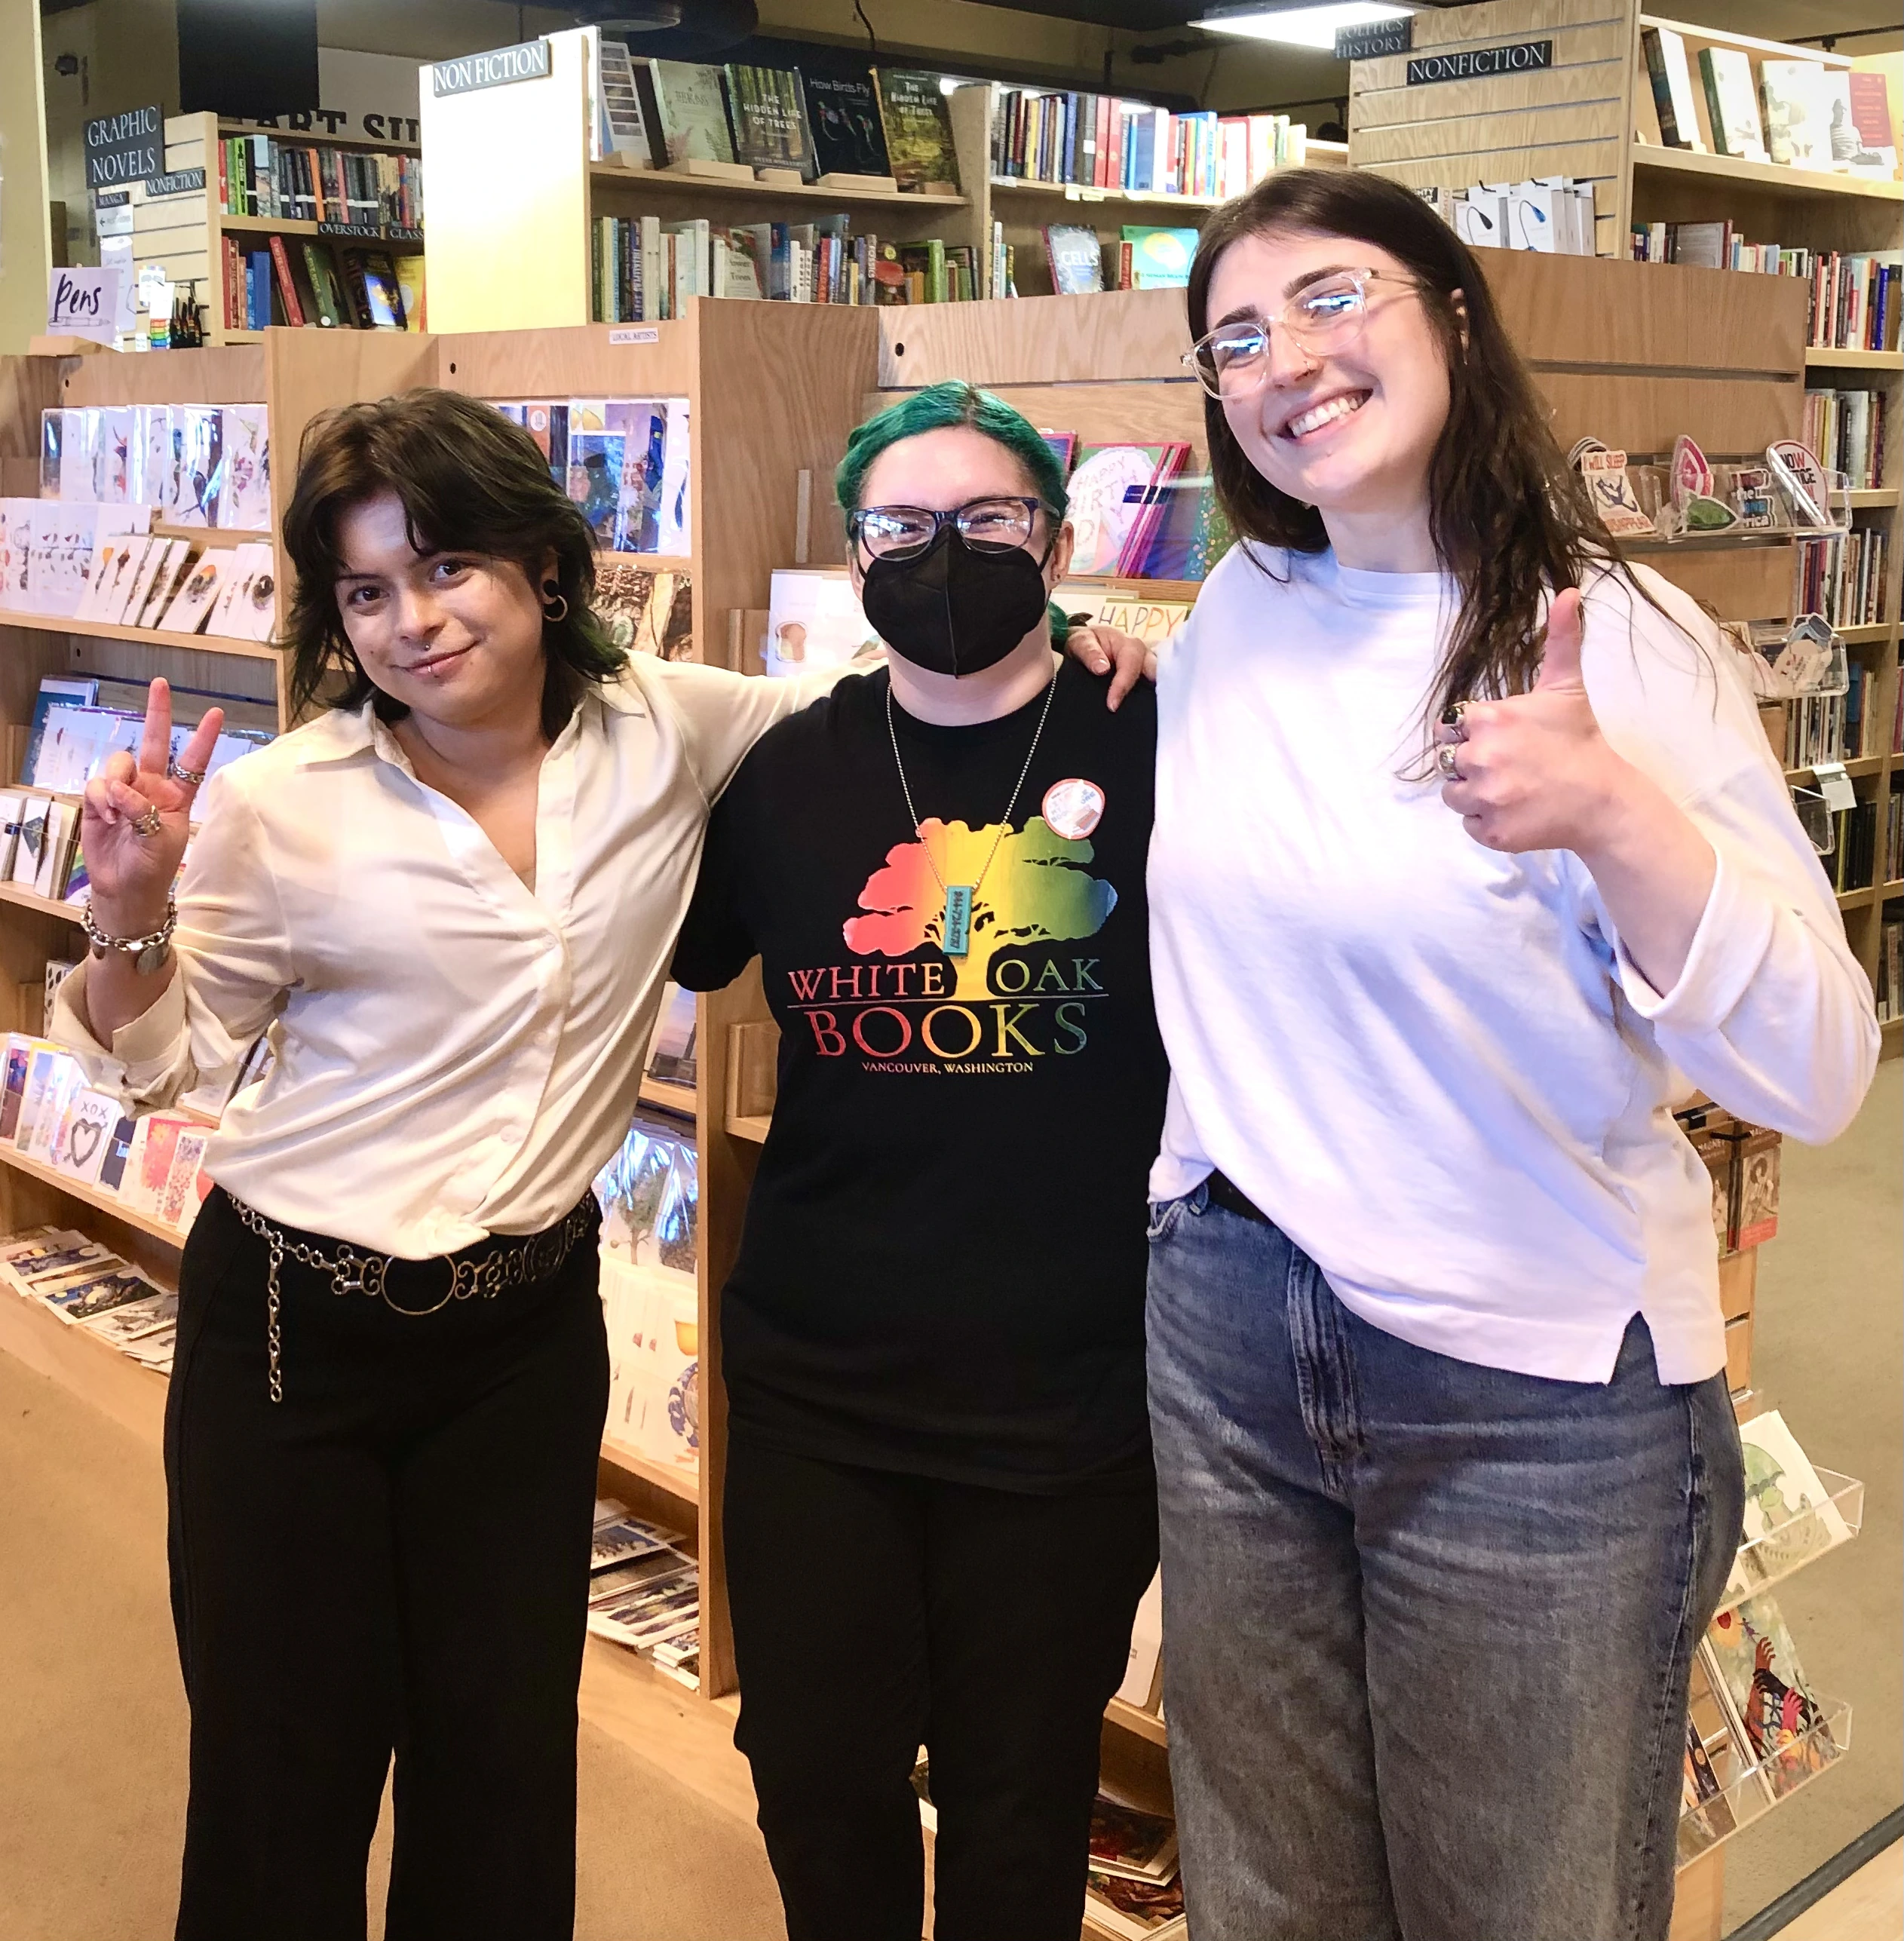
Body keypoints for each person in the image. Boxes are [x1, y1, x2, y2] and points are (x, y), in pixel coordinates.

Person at [54, 383, 1145, 1941]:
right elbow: (156, 1059)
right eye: (365, 593)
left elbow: (917, 676)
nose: (412, 623)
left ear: (543, 569)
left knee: (501, 1764)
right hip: (298, 1327)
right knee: (282, 1766)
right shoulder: (284, 803)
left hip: (523, 1336)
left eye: (445, 570)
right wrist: (128, 913)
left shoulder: (673, 725)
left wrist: (1090, 623)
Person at [1142, 167, 1878, 1941]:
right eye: (1235, 337)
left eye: (1330, 300)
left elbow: (1817, 1068)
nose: (1283, 361)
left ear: (1451, 316)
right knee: (1264, 1892)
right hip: (1231, 1338)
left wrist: (1615, 817)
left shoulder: (1615, 638)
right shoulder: (1233, 608)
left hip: (1532, 1386)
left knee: (1520, 1909)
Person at [670, 381, 1167, 1941]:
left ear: (1057, 541)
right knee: (814, 1773)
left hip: (1071, 1388)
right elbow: (661, 946)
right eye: (901, 525)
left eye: (989, 520)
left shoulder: (1161, 735)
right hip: (824, 1378)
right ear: (854, 552)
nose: (943, 552)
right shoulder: (783, 772)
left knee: (1022, 1800)